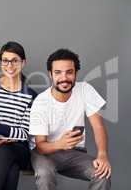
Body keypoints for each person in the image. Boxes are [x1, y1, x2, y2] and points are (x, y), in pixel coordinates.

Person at [29, 48, 111, 190]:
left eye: (69, 72)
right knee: (44, 174)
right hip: (46, 153)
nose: (64, 78)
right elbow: (40, 146)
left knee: (102, 174)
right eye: (58, 72)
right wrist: (60, 143)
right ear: (50, 74)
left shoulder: (85, 90)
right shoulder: (41, 101)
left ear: (75, 73)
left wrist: (102, 155)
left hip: (74, 153)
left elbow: (98, 126)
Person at [0, 41, 37, 190]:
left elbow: (24, 134)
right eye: (5, 60)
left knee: (7, 150)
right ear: (1, 62)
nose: (9, 65)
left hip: (19, 150)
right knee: (11, 171)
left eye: (14, 61)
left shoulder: (31, 96)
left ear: (23, 63)